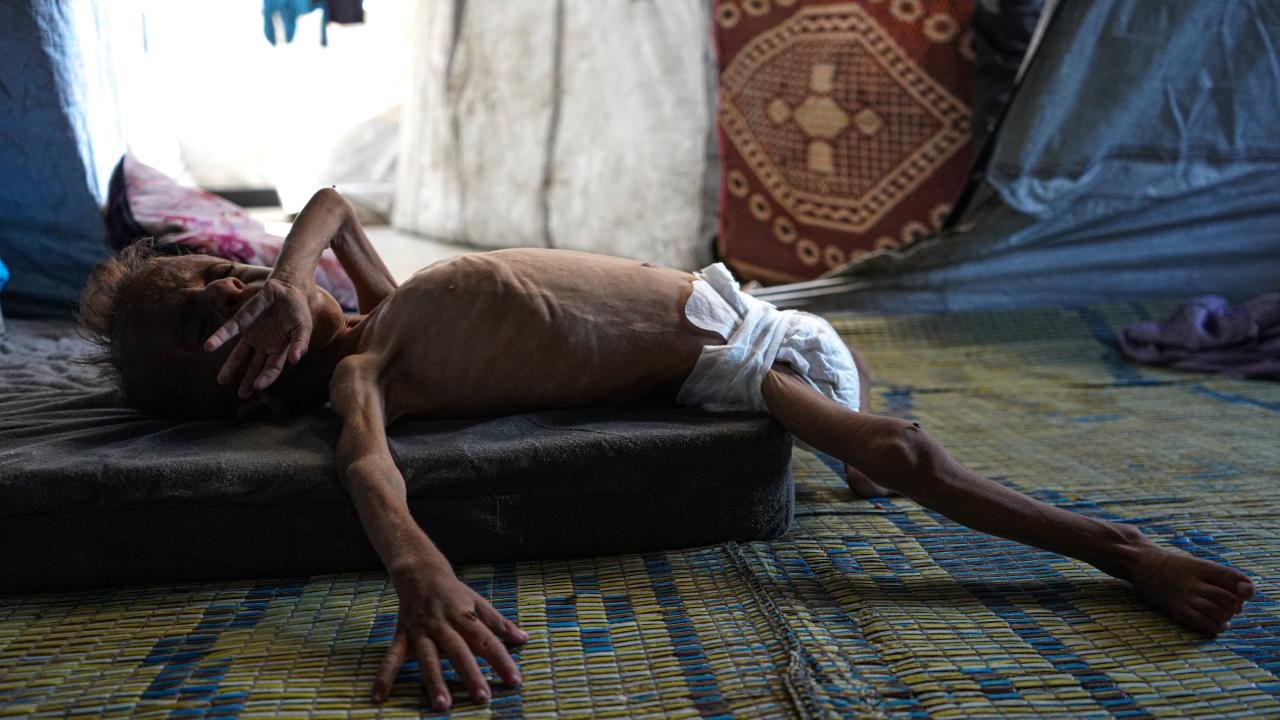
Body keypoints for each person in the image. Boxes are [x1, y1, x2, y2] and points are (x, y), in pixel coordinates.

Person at [79, 188, 1255, 711]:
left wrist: (289, 277)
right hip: (733, 363)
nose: (231, 289)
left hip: (750, 308)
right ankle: (1120, 550)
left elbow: (332, 203)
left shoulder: (373, 305)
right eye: (204, 322)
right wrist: (418, 571)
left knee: (864, 434)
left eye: (218, 269)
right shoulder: (360, 374)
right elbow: (368, 468)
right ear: (234, 396)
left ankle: (868, 452)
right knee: (898, 452)